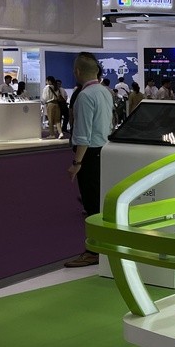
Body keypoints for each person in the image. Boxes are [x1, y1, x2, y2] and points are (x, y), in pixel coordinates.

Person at [64, 52, 114, 268]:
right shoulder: (105, 92)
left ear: (77, 72)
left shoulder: (85, 96)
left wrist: (77, 163)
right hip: (104, 151)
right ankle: (103, 246)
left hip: (90, 156)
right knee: (99, 203)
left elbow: (83, 134)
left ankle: (94, 251)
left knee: (92, 205)